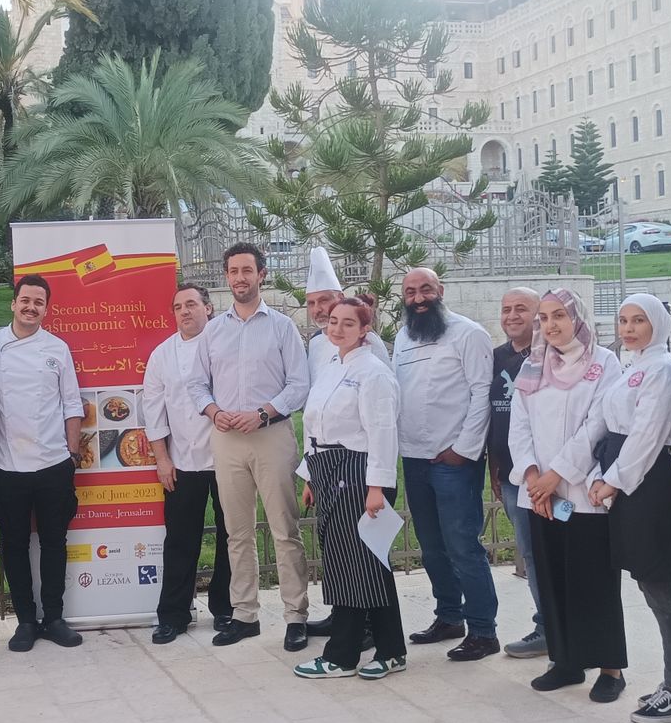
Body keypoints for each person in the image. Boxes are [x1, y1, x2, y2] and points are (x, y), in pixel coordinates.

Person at [587, 294, 671, 723]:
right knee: (654, 582)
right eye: (623, 320)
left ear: (658, 324)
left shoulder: (663, 369)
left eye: (639, 320)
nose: (629, 328)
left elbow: (647, 435)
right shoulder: (633, 366)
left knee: (660, 583)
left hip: (648, 482)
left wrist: (613, 481)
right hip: (628, 478)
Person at [188, 243, 313, 651]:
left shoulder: (282, 327)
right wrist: (212, 411)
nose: (239, 278)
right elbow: (196, 384)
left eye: (247, 270)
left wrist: (263, 412)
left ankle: (296, 616)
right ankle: (244, 615)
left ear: (261, 274)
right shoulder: (213, 331)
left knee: (284, 529)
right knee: (236, 532)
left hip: (271, 435)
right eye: (233, 271)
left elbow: (299, 384)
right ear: (226, 276)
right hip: (227, 439)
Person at [507, 288, 627, 704]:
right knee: (552, 576)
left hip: (581, 489)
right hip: (539, 494)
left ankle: (610, 668)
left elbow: (597, 425)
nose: (550, 325)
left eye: (558, 315)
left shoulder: (603, 362)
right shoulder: (533, 365)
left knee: (593, 580)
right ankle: (566, 660)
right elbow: (519, 425)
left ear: (576, 317)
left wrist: (556, 475)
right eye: (543, 318)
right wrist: (533, 476)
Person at [293, 296, 406, 680]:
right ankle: (392, 651)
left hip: (358, 474)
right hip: (328, 471)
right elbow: (315, 427)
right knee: (366, 566)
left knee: (351, 566)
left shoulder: (374, 374)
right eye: (333, 321)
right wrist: (310, 476)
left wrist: (377, 488)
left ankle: (341, 656)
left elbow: (383, 433)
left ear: (365, 330)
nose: (337, 329)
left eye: (348, 323)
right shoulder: (331, 367)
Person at [393, 268, 498, 660]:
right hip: (414, 457)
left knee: (462, 546)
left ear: (440, 291)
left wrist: (463, 449)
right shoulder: (403, 337)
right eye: (410, 292)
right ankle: (449, 616)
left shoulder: (469, 333)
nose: (418, 298)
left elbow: (482, 394)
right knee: (431, 547)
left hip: (454, 460)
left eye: (425, 290)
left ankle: (484, 630)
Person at [0, 275, 86, 652]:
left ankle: (54, 617)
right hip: (7, 466)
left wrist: (72, 455)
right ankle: (25, 620)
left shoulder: (57, 347)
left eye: (38, 302)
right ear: (13, 303)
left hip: (54, 463)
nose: (30, 307)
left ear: (46, 309)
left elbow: (71, 403)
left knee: (55, 542)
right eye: (25, 300)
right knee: (14, 545)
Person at [142, 283, 233, 644]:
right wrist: (162, 459)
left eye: (192, 304)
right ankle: (173, 615)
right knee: (180, 540)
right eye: (178, 307)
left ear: (208, 308)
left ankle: (227, 608)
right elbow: (153, 410)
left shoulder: (226, 344)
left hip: (228, 457)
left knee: (231, 536)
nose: (185, 311)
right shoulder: (162, 355)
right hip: (182, 460)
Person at [491, 287, 546, 659]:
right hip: (512, 478)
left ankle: (557, 625)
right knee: (530, 550)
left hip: (549, 478)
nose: (512, 316)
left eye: (521, 309)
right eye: (506, 309)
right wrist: (493, 466)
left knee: (551, 550)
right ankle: (547, 625)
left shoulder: (548, 358)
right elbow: (490, 414)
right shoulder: (496, 357)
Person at [303, 247, 391, 383]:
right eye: (311, 303)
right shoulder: (315, 342)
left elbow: (383, 384)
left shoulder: (366, 339)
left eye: (323, 300)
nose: (317, 309)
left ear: (341, 298)